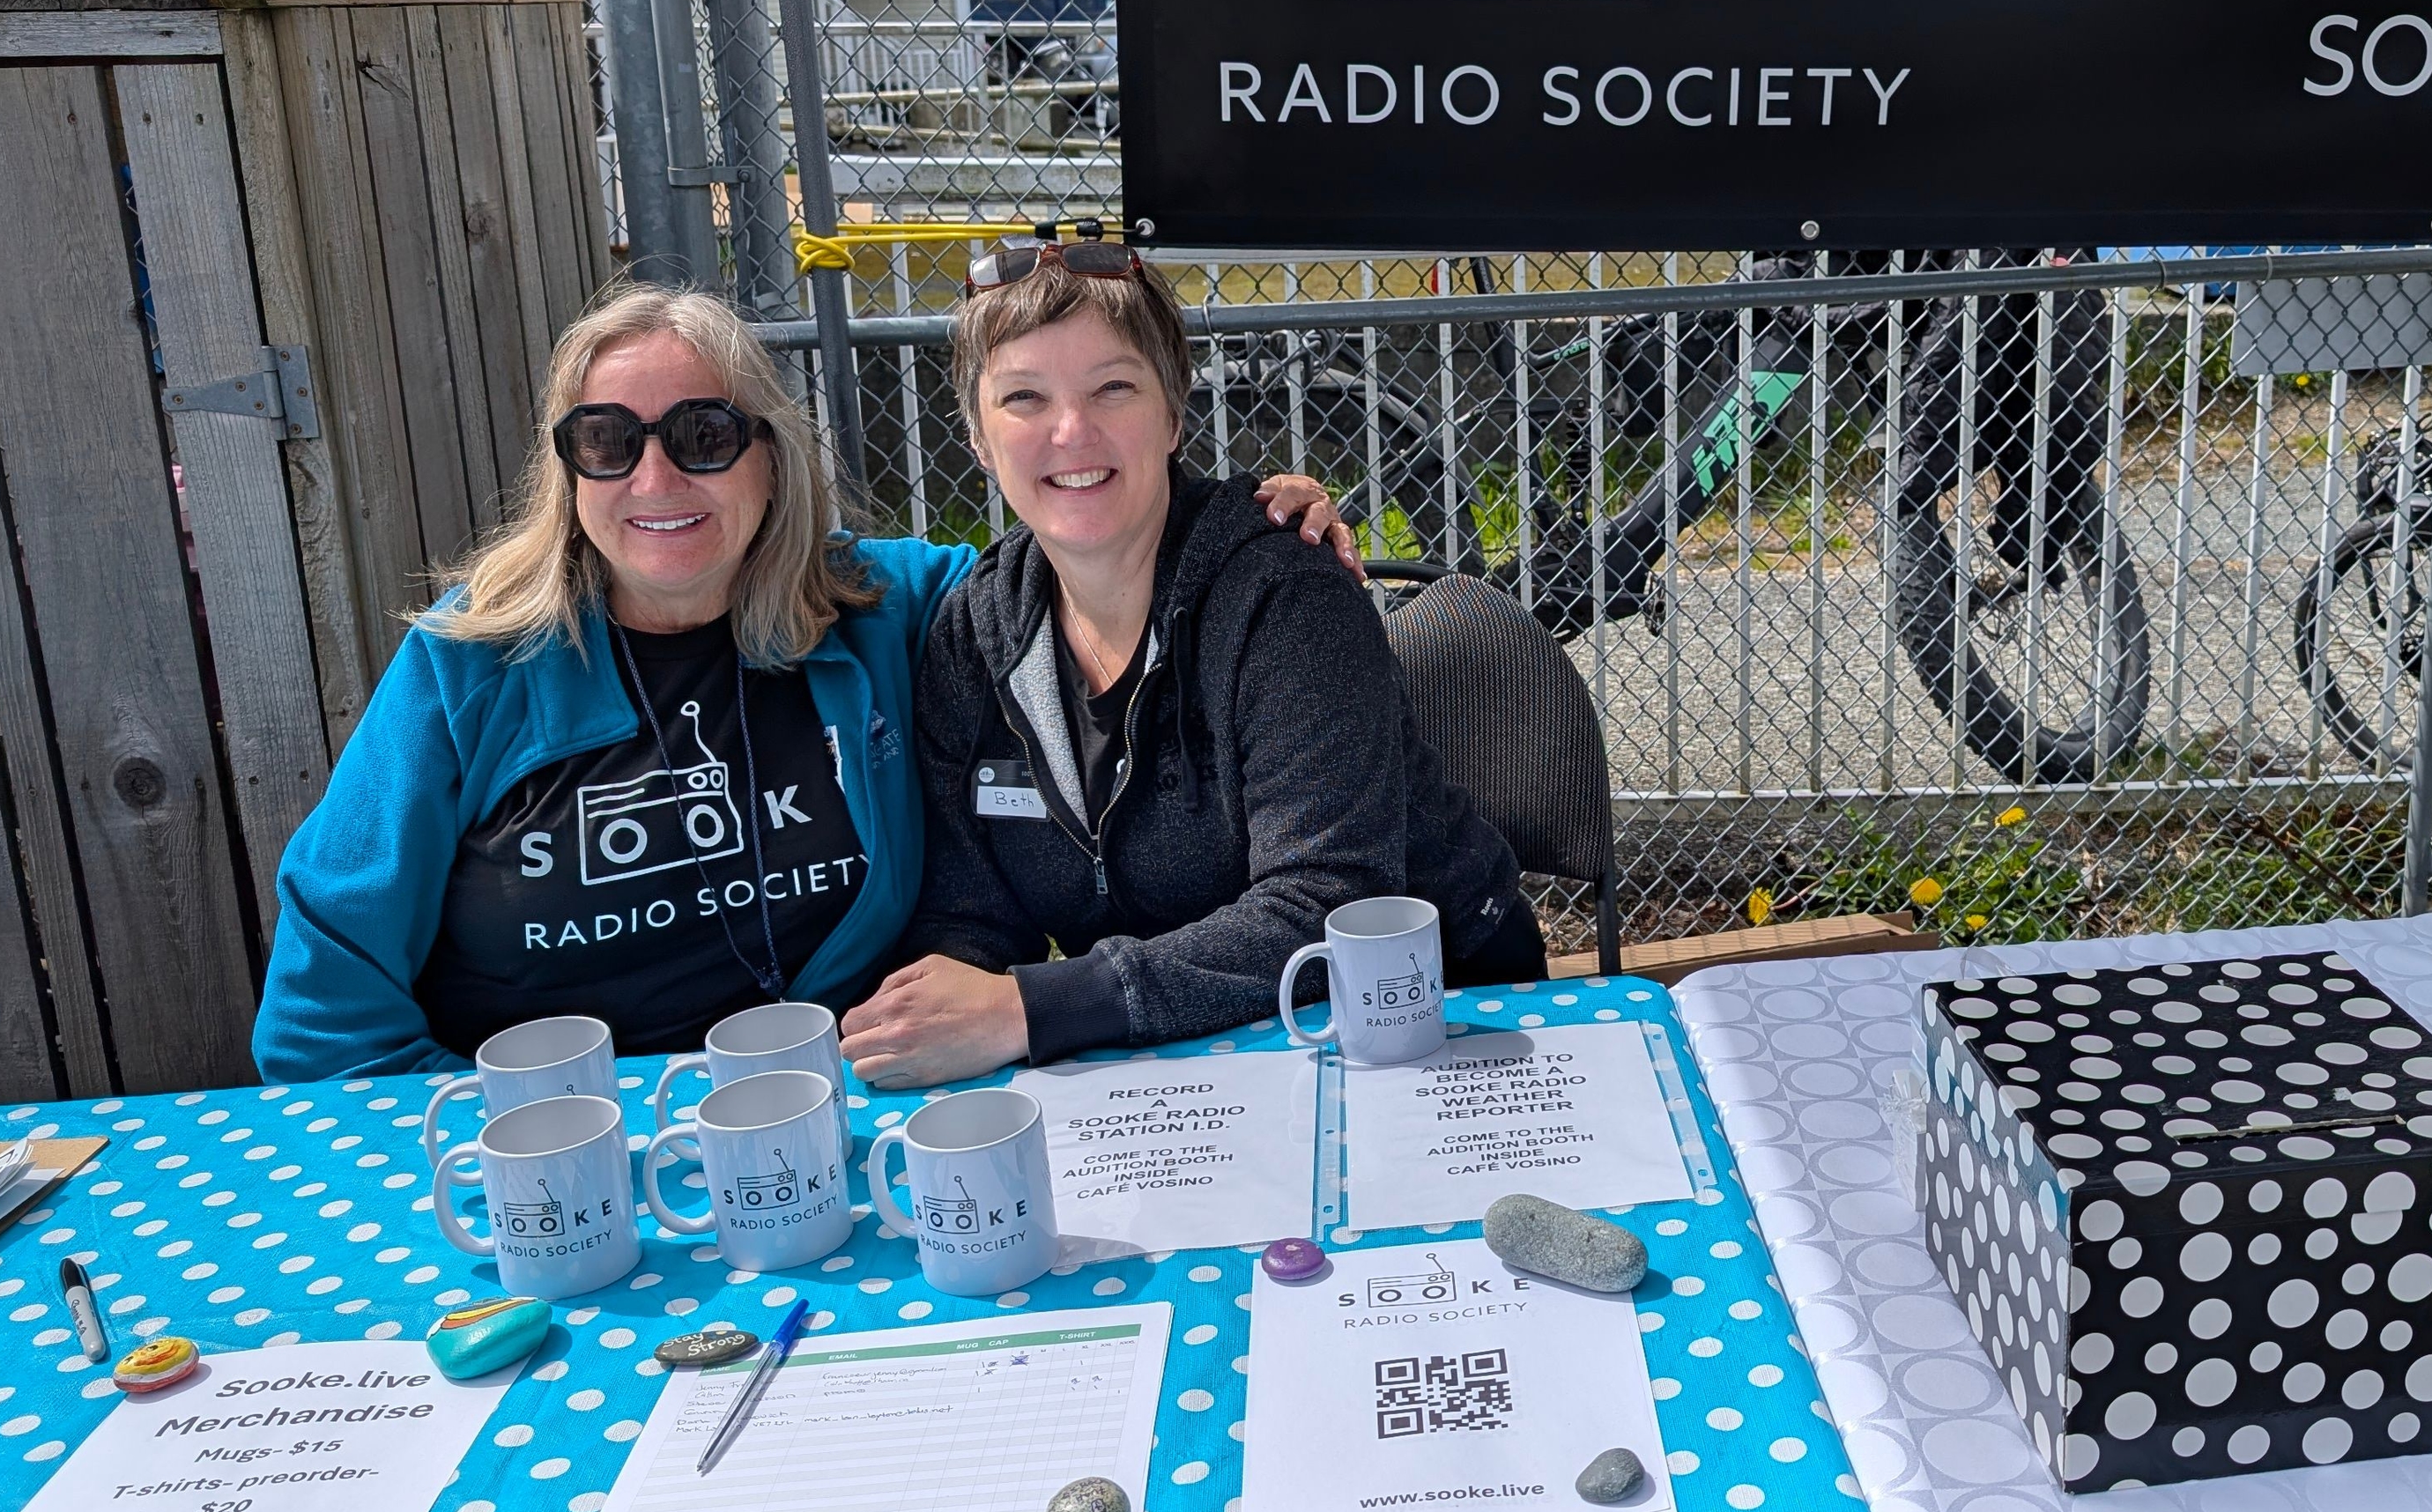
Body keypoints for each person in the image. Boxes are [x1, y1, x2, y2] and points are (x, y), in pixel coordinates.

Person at [253, 279, 1355, 1085]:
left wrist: (1243, 522)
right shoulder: (471, 663)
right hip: (541, 1141)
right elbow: (324, 1010)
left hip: (827, 1109)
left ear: (769, 455)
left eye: (703, 434)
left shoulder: (880, 608)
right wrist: (491, 1153)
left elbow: (1081, 547)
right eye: (607, 440)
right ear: (569, 469)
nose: (656, 476)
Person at [838, 241, 1541, 1087]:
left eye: (1113, 387)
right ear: (980, 438)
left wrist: (1035, 1008)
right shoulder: (973, 632)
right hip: (1175, 1052)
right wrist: (941, 1015)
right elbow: (967, 916)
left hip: (1433, 1016)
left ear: (1173, 415)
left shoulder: (1284, 593)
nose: (1071, 431)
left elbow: (1327, 903)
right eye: (1024, 397)